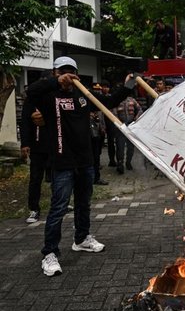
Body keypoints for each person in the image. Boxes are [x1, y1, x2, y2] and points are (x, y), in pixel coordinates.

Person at [26, 56, 137, 276]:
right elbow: (30, 92)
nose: (68, 75)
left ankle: (81, 238)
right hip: (61, 160)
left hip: (85, 159)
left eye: (71, 71)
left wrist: (128, 86)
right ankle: (50, 253)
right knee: (58, 207)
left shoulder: (83, 95)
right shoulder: (48, 95)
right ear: (55, 73)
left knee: (84, 203)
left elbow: (109, 102)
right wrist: (57, 82)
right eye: (62, 71)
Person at [20, 78, 51, 224]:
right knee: (35, 178)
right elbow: (25, 122)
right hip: (37, 146)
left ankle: (61, 203)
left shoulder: (53, 98)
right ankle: (34, 209)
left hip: (54, 145)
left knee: (58, 177)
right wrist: (25, 144)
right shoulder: (30, 101)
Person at [113, 95, 143, 174]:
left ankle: (128, 162)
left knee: (131, 147)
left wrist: (136, 118)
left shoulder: (132, 100)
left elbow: (140, 110)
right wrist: (118, 123)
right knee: (120, 146)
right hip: (120, 126)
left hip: (130, 126)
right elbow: (114, 113)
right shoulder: (117, 100)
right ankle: (120, 164)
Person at [100, 80, 117, 167]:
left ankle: (112, 160)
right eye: (104, 87)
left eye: (107, 87)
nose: (105, 89)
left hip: (110, 121)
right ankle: (97, 162)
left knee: (111, 142)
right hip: (100, 121)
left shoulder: (111, 97)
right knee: (99, 143)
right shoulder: (98, 96)